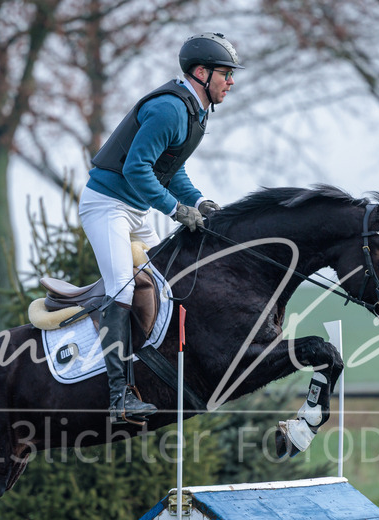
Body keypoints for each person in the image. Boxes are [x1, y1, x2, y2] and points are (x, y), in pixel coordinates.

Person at [79, 32, 244, 424]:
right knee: (122, 290)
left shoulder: (195, 112)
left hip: (134, 209)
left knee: (169, 284)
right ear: (201, 73)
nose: (231, 82)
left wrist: (198, 200)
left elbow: (171, 169)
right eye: (226, 74)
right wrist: (175, 210)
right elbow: (137, 168)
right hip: (107, 206)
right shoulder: (172, 109)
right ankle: (119, 397)